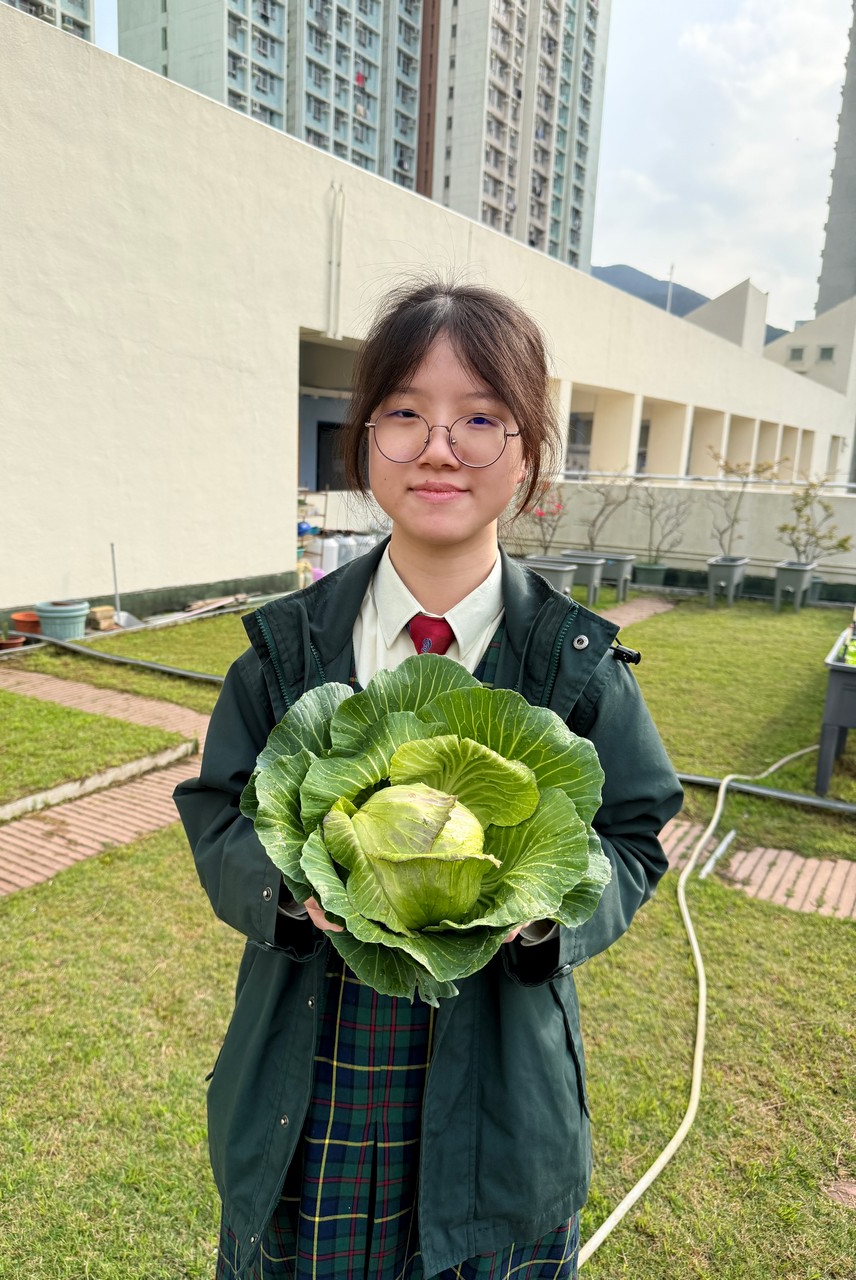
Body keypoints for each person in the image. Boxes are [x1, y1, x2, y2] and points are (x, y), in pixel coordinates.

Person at [174, 280, 683, 1280]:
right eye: (405, 413)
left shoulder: (575, 666)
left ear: (529, 454)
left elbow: (633, 833)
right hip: (311, 1084)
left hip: (501, 1103)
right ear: (365, 442)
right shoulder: (286, 653)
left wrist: (545, 917)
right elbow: (218, 810)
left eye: (481, 418)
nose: (439, 448)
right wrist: (286, 892)